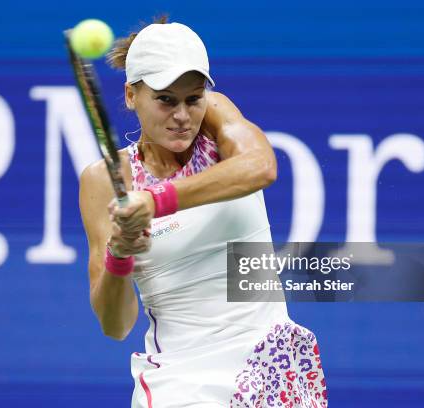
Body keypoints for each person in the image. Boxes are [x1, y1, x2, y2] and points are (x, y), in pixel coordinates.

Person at [79, 17, 327, 408]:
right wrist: (120, 253)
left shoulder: (216, 121)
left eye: (193, 99)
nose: (182, 115)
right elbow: (116, 325)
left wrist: (156, 199)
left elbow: (262, 167)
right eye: (165, 99)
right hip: (182, 385)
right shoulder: (103, 181)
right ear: (131, 95)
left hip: (271, 371)